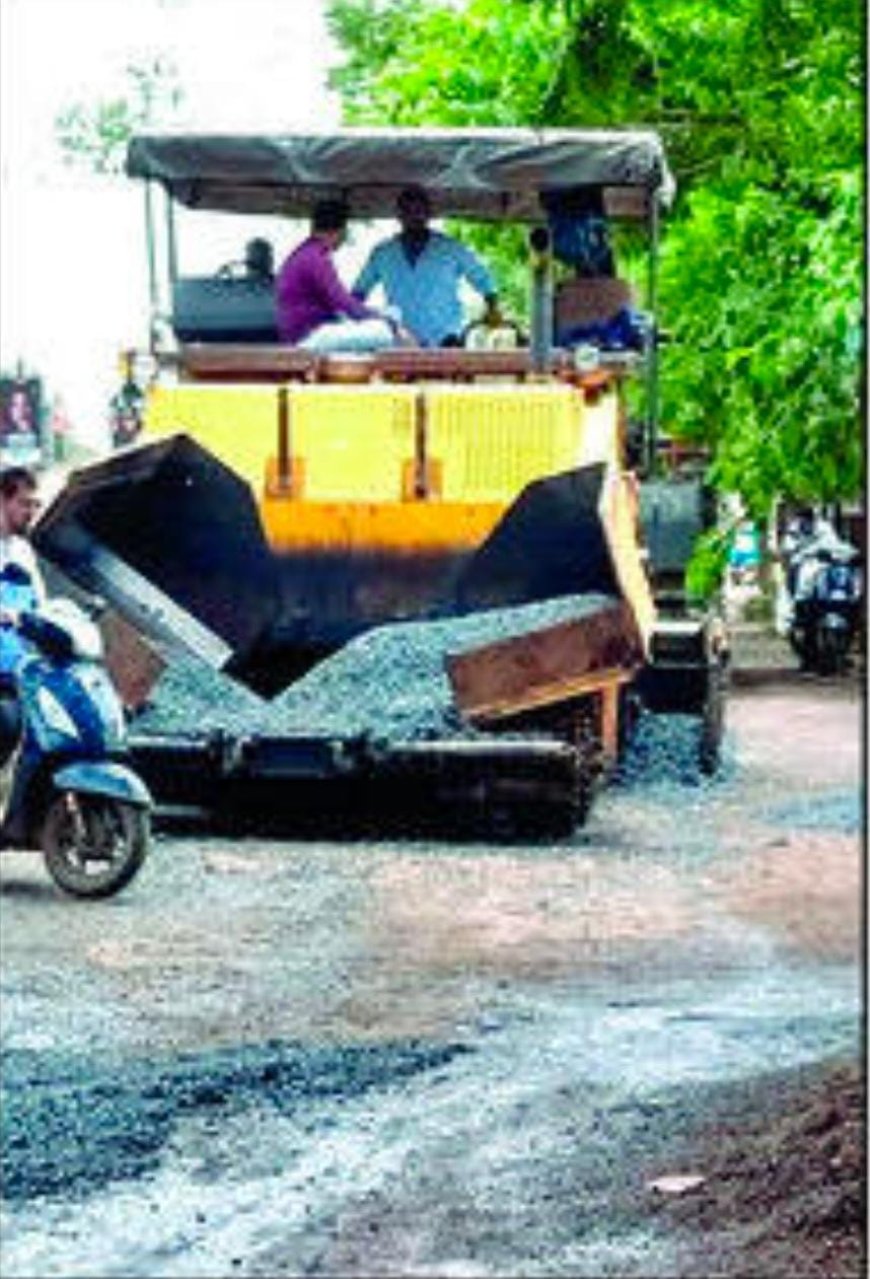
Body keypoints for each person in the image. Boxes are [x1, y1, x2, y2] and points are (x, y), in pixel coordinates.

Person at [352, 185, 501, 348]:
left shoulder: (450, 248)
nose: (414, 216)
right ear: (399, 215)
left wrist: (492, 308)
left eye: (419, 211)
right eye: (408, 211)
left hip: (446, 339)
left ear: (429, 214)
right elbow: (359, 291)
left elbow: (483, 278)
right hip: (402, 341)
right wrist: (353, 317)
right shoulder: (383, 253)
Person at [275, 199, 403, 352]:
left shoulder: (307, 252)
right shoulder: (315, 258)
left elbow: (339, 304)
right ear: (340, 231)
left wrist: (377, 316)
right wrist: (388, 323)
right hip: (308, 337)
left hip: (310, 330)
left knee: (392, 313)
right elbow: (342, 301)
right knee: (386, 331)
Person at [0, 466, 46, 769]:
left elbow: (41, 604)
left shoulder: (22, 551)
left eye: (34, 504)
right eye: (24, 503)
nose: (31, 511)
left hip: (18, 672)